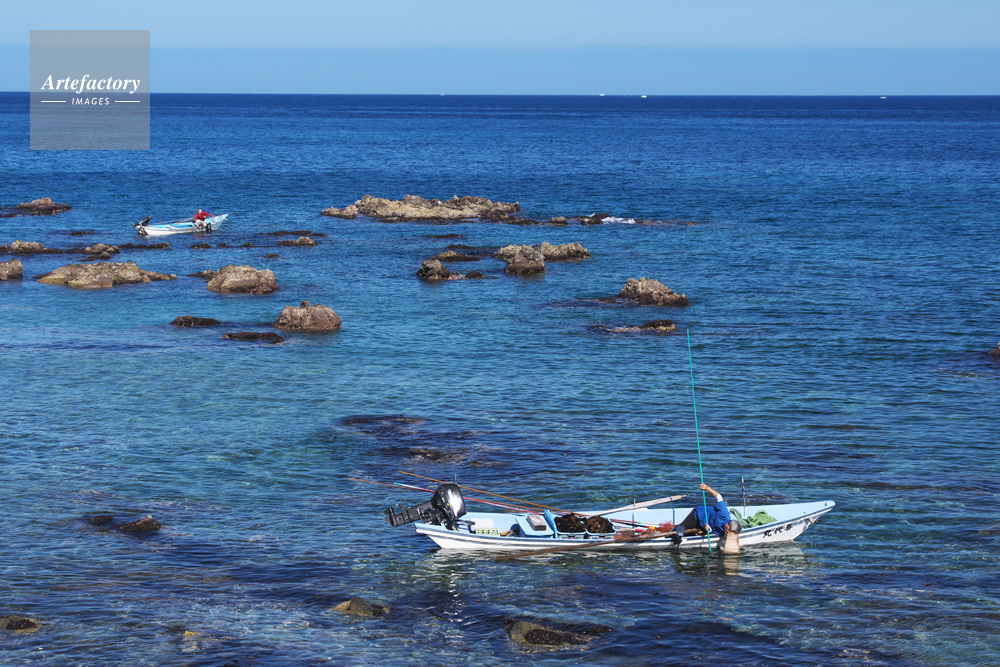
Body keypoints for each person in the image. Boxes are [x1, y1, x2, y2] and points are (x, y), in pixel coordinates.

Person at [670, 483, 741, 542]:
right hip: (698, 515)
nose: (727, 534)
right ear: (729, 526)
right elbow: (719, 497)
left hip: (702, 525)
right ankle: (670, 536)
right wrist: (707, 488)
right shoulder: (724, 514)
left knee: (690, 534)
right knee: (681, 529)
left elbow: (712, 530)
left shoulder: (723, 532)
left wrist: (709, 529)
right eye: (729, 532)